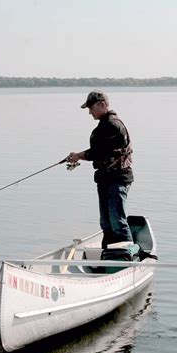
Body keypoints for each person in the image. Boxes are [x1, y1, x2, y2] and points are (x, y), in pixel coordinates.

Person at [67, 91, 134, 248]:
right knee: (106, 222)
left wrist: (78, 156)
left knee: (117, 221)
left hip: (118, 178)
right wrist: (78, 156)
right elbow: (98, 151)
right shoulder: (105, 124)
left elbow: (99, 152)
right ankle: (108, 255)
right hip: (105, 179)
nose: (90, 112)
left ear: (102, 104)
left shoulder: (113, 125)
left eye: (91, 108)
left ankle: (128, 258)